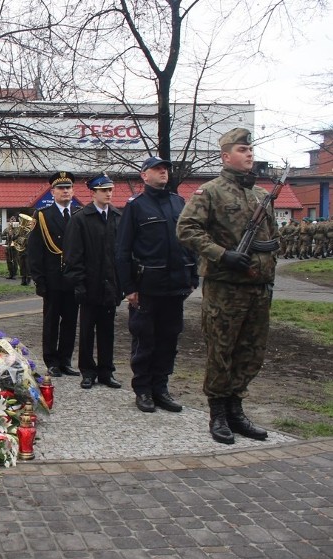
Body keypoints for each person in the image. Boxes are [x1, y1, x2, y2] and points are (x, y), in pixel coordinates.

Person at [177, 127, 274, 445]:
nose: (249, 154)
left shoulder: (261, 195)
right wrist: (222, 254)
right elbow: (187, 229)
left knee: (251, 352)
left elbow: (272, 238)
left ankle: (236, 410)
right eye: (243, 149)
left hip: (258, 288)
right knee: (222, 351)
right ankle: (217, 414)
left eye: (250, 149)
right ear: (226, 155)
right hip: (225, 289)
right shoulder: (211, 191)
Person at [116, 157, 199, 413]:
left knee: (169, 339)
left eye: (165, 169)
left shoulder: (178, 202)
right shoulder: (136, 206)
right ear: (144, 175)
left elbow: (189, 242)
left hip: (175, 286)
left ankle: (161, 388)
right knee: (145, 340)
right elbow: (122, 250)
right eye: (157, 169)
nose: (163, 173)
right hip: (147, 287)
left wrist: (193, 275)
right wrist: (128, 287)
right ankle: (143, 390)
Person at [64, 173, 122, 390]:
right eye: (104, 190)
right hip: (89, 284)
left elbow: (121, 253)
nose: (108, 194)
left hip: (110, 285)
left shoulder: (117, 216)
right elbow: (73, 255)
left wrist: (121, 284)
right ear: (93, 192)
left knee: (108, 330)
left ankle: (107, 371)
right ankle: (87, 371)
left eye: (110, 190)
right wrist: (78, 283)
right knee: (88, 330)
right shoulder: (81, 218)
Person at [27, 172, 81, 378]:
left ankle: (66, 360)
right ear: (53, 192)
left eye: (68, 187)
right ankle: (51, 361)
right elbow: (35, 250)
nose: (65, 191)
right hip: (52, 279)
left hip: (73, 278)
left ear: (73, 191)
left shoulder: (79, 213)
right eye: (61, 188)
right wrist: (39, 279)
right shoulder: (42, 215)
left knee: (70, 321)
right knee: (51, 322)